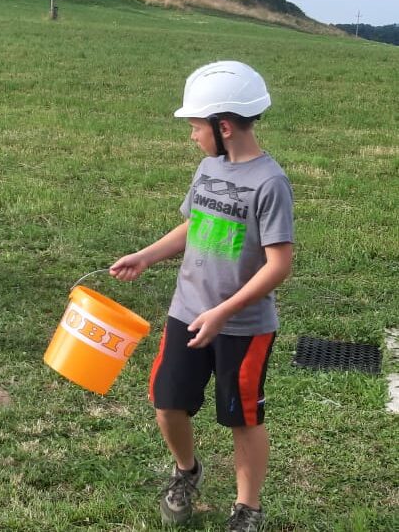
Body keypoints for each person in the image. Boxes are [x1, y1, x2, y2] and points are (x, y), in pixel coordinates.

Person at [109, 61, 294, 531]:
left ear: (224, 126)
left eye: (195, 126)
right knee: (167, 402)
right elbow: (194, 225)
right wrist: (146, 256)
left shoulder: (270, 183)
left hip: (243, 327)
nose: (192, 135)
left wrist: (223, 312)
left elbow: (279, 265)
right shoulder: (209, 166)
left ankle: (247, 508)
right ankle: (187, 472)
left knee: (242, 417)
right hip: (186, 312)